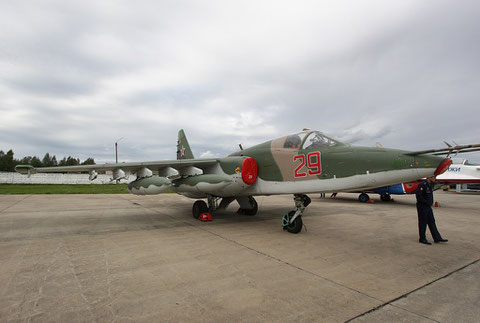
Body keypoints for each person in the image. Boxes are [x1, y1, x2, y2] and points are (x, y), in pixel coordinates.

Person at [415, 176, 448, 245]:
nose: (434, 179)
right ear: (429, 177)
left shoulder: (429, 185)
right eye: (433, 177)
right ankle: (422, 238)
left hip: (428, 207)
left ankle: (437, 238)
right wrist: (426, 202)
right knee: (423, 223)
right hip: (422, 207)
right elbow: (418, 196)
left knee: (432, 222)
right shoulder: (422, 185)